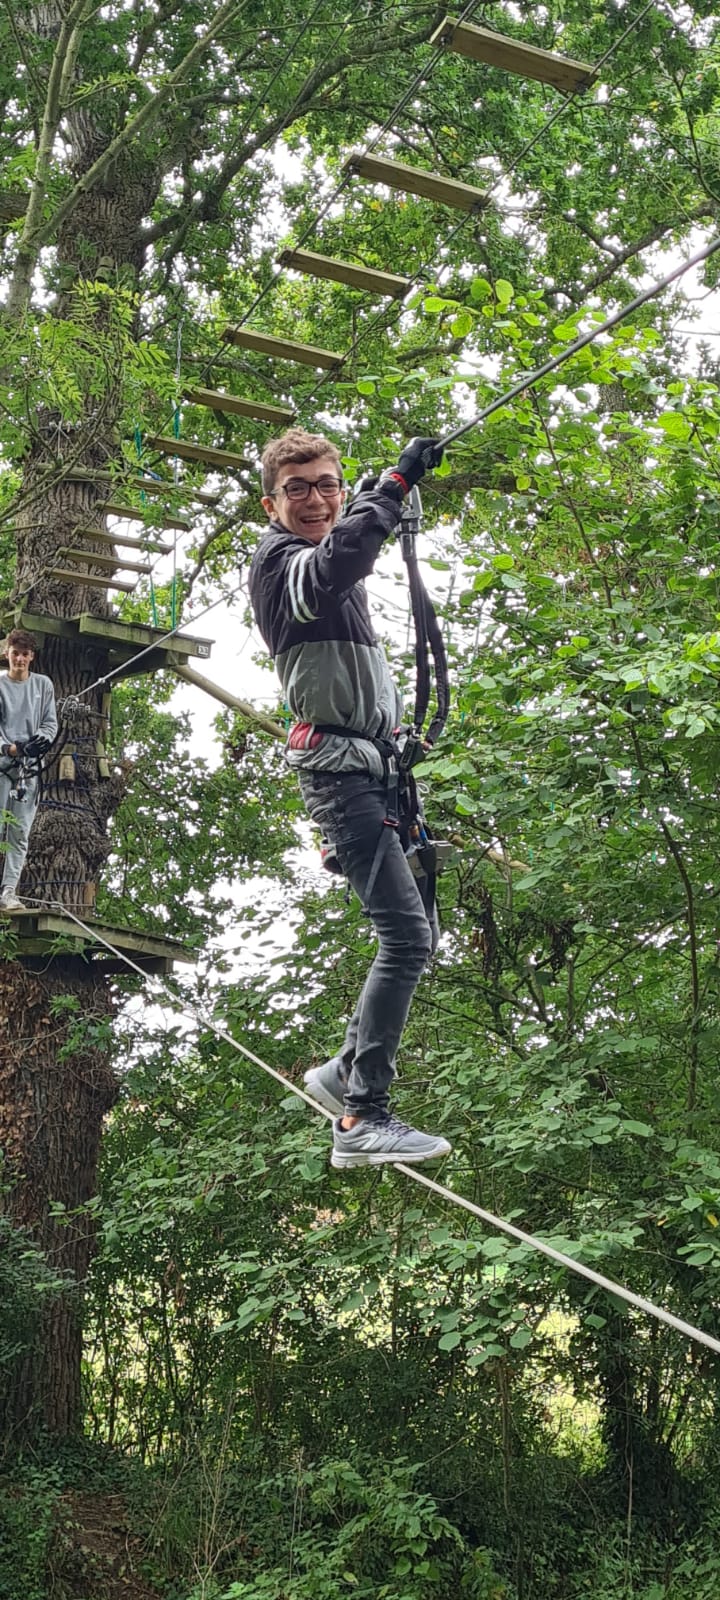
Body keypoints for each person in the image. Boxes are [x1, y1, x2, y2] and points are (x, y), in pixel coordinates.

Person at [248, 427, 452, 1171]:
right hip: (338, 774)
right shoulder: (281, 565)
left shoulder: (329, 559)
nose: (315, 500)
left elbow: (346, 550)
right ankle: (362, 1114)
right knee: (406, 937)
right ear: (271, 503)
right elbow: (339, 560)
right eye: (296, 489)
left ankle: (342, 1072)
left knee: (421, 923)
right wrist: (390, 489)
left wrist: (372, 497)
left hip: (372, 770)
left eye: (327, 485)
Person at [0, 629, 57, 912]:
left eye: (24, 654)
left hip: (29, 771)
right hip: (3, 765)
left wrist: (40, 743)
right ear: (7, 653)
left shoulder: (43, 685)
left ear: (31, 656)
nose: (20, 659)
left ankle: (8, 891)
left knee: (20, 832)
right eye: (15, 653)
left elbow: (50, 723)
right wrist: (10, 748)